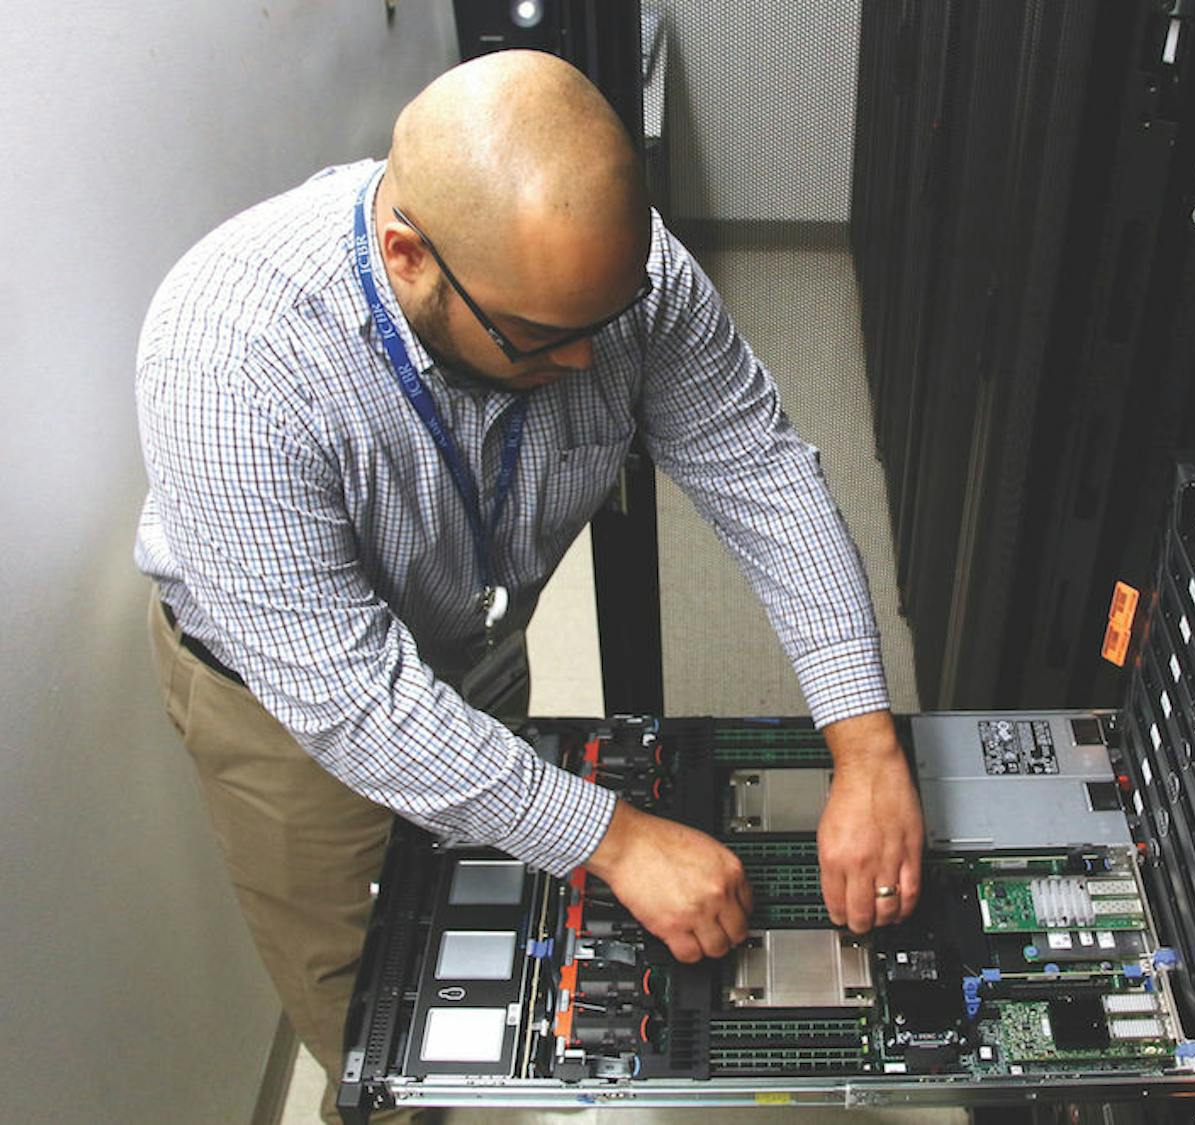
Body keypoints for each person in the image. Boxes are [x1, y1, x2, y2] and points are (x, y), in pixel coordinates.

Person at [135, 50, 923, 1121]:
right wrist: (618, 838)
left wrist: (866, 745)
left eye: (608, 321)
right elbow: (355, 700)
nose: (593, 368)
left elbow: (759, 468)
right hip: (283, 711)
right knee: (372, 1006)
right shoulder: (229, 359)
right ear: (409, 257)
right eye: (547, 341)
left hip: (476, 638)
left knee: (502, 913)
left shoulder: (609, 288)